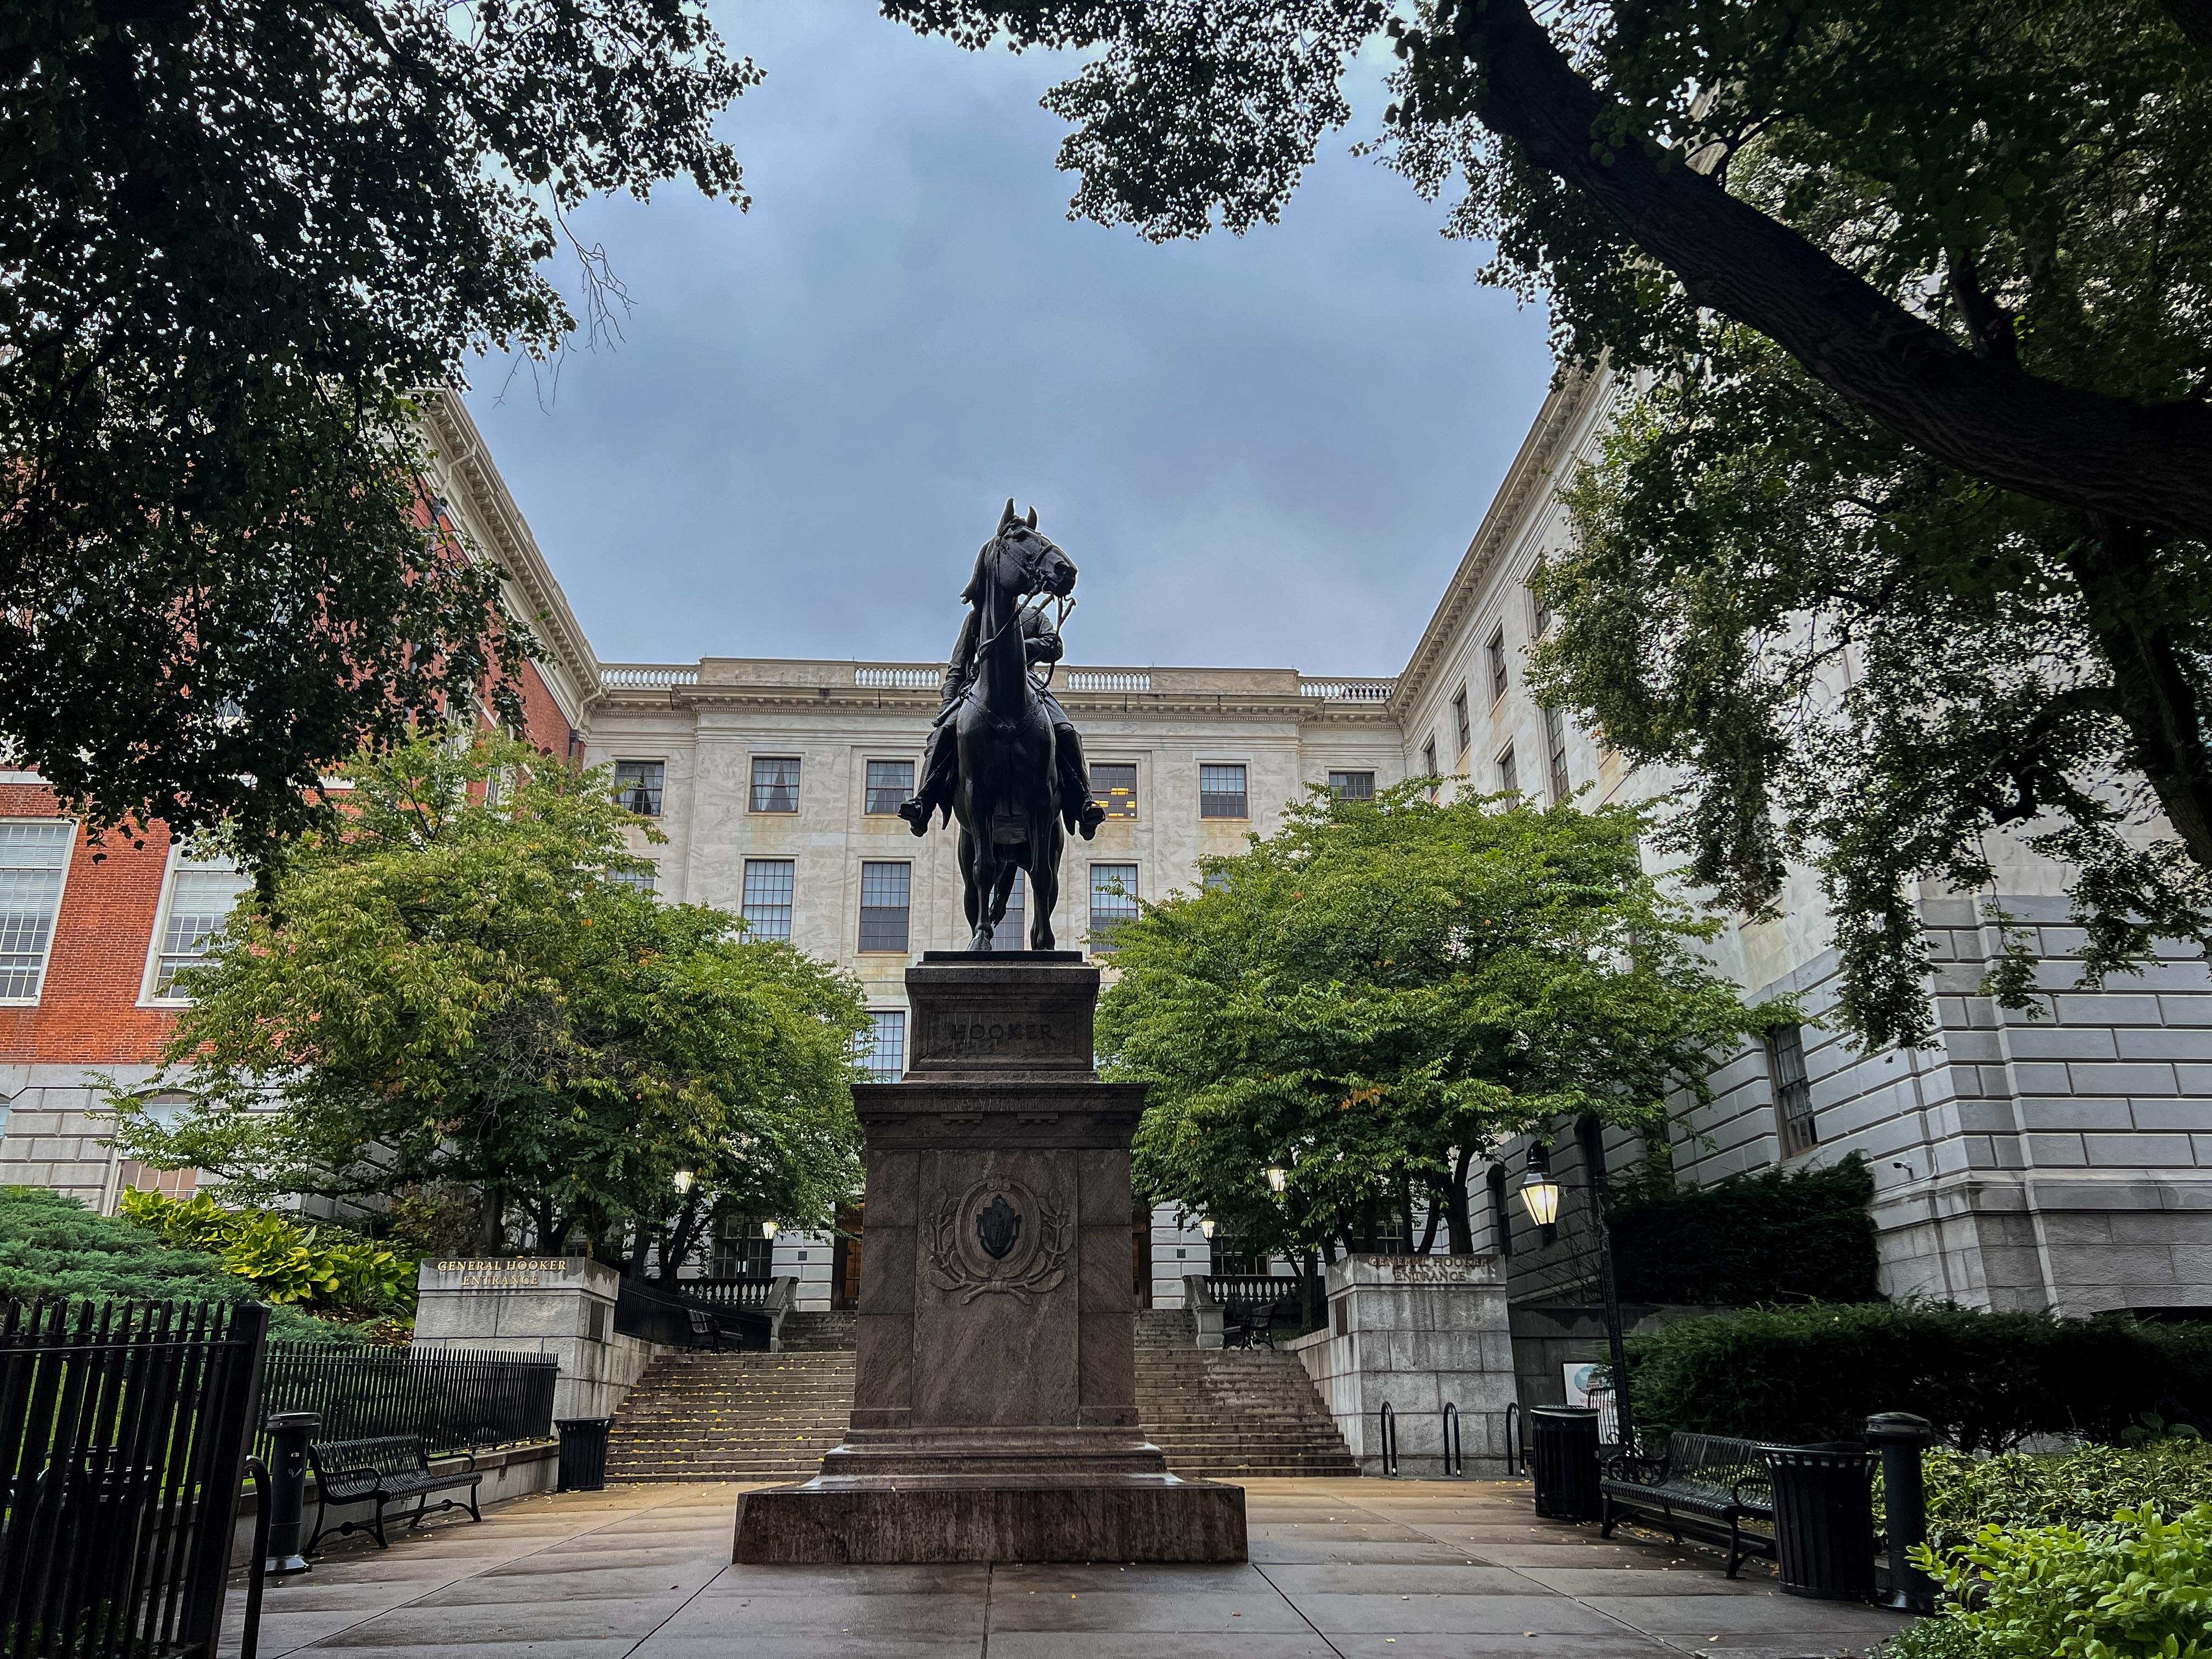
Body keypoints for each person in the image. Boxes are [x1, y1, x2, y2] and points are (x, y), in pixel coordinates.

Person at [898, 598, 1105, 840]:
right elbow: (958, 666)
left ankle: (1084, 802)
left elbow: (1054, 645)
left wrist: (1012, 648)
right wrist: (948, 707)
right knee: (943, 733)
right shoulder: (977, 618)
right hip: (977, 688)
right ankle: (923, 802)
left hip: (1029, 685)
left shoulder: (1035, 615)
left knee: (1067, 732)